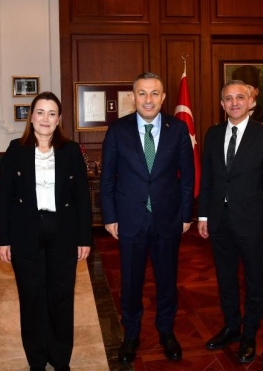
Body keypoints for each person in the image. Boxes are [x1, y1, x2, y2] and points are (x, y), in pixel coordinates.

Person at [100, 72, 195, 364]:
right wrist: (110, 216)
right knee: (131, 283)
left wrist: (186, 215)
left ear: (164, 97)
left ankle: (167, 332)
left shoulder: (178, 129)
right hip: (130, 220)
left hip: (168, 219)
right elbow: (107, 179)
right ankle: (131, 335)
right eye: (142, 93)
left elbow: (187, 178)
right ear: (133, 97)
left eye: (155, 93)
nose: (148, 99)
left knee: (167, 281)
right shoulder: (117, 130)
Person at [0, 92, 92, 371]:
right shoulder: (16, 150)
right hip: (25, 233)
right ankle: (36, 361)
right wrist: (3, 239)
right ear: (31, 117)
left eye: (52, 113)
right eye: (40, 112)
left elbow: (82, 198)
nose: (45, 119)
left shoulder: (71, 151)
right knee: (31, 298)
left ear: (59, 119)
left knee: (61, 298)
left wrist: (84, 238)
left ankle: (60, 360)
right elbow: (4, 199)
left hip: (63, 232)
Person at [197, 80, 263, 364]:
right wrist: (203, 215)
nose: (234, 103)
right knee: (225, 279)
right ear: (222, 104)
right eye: (228, 98)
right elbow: (207, 179)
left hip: (254, 223)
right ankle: (232, 327)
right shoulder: (213, 134)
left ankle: (249, 335)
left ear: (251, 102)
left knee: (254, 281)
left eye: (240, 97)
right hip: (219, 221)